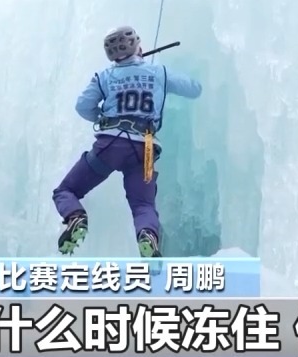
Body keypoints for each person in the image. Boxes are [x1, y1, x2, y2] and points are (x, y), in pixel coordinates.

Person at [52, 26, 203, 258]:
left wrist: (102, 118)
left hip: (109, 146)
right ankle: (148, 236)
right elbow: (194, 89)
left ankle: (76, 217)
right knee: (143, 205)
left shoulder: (103, 77)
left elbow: (82, 106)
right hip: (145, 149)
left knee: (66, 190)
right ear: (137, 46)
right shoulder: (159, 72)